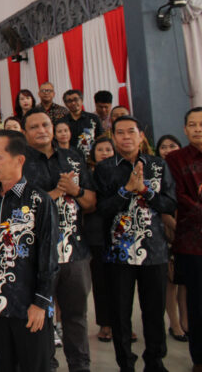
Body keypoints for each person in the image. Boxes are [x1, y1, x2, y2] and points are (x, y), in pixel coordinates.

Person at [0, 130, 59, 372]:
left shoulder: (39, 201)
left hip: (30, 306)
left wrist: (41, 302)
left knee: (35, 365)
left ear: (19, 160)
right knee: (4, 365)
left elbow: (49, 257)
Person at [94, 116, 176, 372]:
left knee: (154, 312)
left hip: (155, 252)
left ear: (141, 135)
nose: (126, 137)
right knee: (120, 314)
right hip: (119, 253)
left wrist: (145, 191)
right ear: (113, 137)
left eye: (131, 132)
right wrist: (126, 190)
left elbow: (170, 204)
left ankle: (155, 361)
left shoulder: (158, 166)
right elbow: (102, 209)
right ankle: (125, 363)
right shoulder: (105, 168)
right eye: (120, 133)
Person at [22, 110, 98, 372]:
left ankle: (80, 366)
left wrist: (76, 191)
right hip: (36, 257)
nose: (41, 130)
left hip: (75, 254)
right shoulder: (19, 164)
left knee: (76, 317)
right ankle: (47, 366)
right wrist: (55, 193)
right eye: (34, 127)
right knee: (40, 318)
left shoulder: (73, 158)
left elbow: (90, 204)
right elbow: (21, 212)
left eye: (46, 124)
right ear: (25, 133)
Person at [166, 107, 202, 370]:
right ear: (185, 129)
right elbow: (177, 196)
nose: (198, 128)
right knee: (197, 304)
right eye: (192, 124)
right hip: (192, 242)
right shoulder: (176, 159)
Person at [156, 134, 188, 343]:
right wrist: (175, 227)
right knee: (169, 280)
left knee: (185, 281)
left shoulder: (185, 170)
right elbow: (160, 203)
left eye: (172, 146)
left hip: (188, 233)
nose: (168, 150)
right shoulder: (156, 172)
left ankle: (186, 321)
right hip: (166, 231)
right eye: (164, 147)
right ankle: (174, 323)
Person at [84, 137, 116, 343]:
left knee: (121, 283)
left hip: (120, 233)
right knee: (101, 281)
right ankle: (105, 323)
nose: (104, 152)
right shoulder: (89, 175)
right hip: (95, 233)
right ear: (93, 154)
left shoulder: (123, 172)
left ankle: (123, 323)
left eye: (108, 149)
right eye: (100, 149)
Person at [61, 89, 103, 161]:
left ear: (81, 100)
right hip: (70, 159)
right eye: (69, 101)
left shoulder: (93, 118)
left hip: (91, 159)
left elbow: (100, 138)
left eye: (76, 99)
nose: (73, 103)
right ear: (65, 104)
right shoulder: (62, 122)